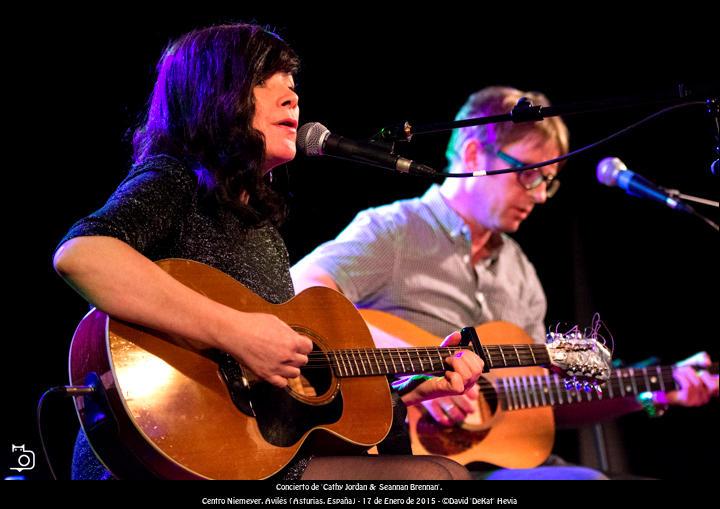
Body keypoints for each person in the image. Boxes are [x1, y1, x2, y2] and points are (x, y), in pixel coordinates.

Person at [53, 23, 485, 481]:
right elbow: (82, 254)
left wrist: (404, 389)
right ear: (212, 96)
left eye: (293, 85)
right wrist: (237, 333)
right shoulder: (176, 179)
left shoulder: (260, 228)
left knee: (441, 474)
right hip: (158, 460)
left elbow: (290, 398)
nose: (291, 97)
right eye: (265, 80)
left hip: (249, 457)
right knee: (441, 479)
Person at [291, 86, 718, 479]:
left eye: (548, 182)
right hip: (394, 453)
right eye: (530, 174)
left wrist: (652, 390)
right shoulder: (394, 231)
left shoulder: (522, 275)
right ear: (475, 154)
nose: (538, 195)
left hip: (490, 464)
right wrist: (419, 370)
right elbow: (301, 291)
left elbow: (535, 402)